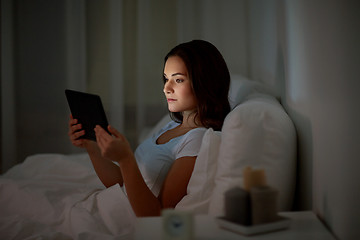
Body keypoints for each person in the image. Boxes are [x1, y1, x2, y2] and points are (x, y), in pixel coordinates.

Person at [68, 40, 231, 217]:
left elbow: (157, 215)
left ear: (205, 83)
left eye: (178, 80)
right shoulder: (172, 125)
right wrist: (91, 148)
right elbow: (121, 183)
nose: (166, 88)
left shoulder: (197, 139)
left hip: (122, 221)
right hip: (105, 207)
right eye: (166, 79)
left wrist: (126, 159)